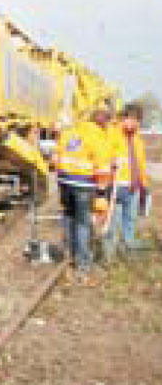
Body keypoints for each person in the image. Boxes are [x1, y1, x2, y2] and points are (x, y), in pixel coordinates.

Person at [54, 101, 113, 278]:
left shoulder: (70, 132)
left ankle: (70, 256)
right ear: (102, 122)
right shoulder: (97, 136)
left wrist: (62, 180)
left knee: (69, 219)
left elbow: (56, 158)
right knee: (82, 223)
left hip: (65, 183)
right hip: (84, 185)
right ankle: (83, 264)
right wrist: (102, 194)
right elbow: (103, 168)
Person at [104, 104, 149, 261]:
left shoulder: (138, 140)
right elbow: (105, 155)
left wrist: (144, 185)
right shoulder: (112, 134)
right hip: (116, 185)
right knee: (113, 222)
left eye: (136, 121)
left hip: (133, 187)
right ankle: (109, 256)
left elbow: (141, 163)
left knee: (130, 220)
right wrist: (112, 162)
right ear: (123, 119)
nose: (133, 124)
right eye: (130, 119)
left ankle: (127, 251)